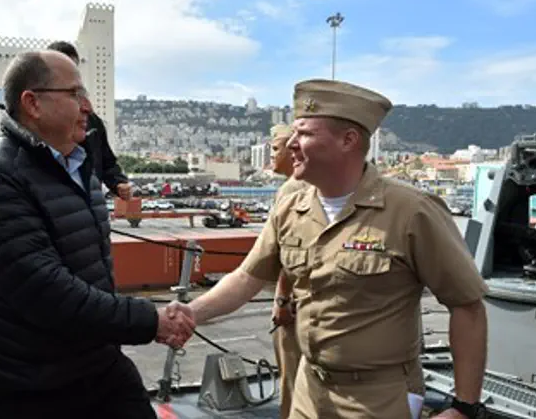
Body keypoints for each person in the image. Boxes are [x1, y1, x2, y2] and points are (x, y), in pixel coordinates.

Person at [168, 79, 489, 419]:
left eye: (304, 133)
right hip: (309, 388)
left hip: (379, 398)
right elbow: (248, 277)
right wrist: (193, 313)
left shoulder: (412, 212)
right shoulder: (291, 207)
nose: (291, 144)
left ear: (348, 140)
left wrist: (464, 407)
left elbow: (467, 305)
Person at [0, 50, 194, 419]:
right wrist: (150, 320)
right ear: (32, 103)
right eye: (75, 94)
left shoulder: (79, 165)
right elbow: (45, 292)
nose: (87, 106)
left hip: (95, 361)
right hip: (32, 383)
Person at [47, 40, 132, 200]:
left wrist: (118, 183)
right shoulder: (34, 125)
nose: (87, 109)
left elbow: (107, 162)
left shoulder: (93, 122)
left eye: (73, 69)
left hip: (89, 208)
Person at [267, 122, 305, 417]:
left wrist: (281, 299)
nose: (273, 154)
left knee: (293, 383)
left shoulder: (292, 189)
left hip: (294, 307)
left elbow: (289, 254)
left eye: (276, 148)